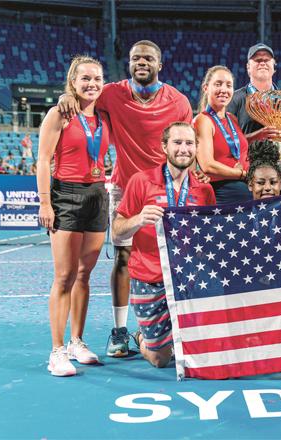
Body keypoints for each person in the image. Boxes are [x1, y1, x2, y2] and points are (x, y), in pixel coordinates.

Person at [58, 40, 194, 358]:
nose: (141, 62)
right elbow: (83, 95)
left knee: (174, 261)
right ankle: (120, 332)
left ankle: (170, 325)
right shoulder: (111, 93)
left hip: (169, 187)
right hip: (125, 188)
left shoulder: (179, 100)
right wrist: (67, 96)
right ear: (129, 64)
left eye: (148, 58)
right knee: (123, 259)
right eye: (135, 58)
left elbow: (187, 143)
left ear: (160, 64)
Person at [112, 122, 216, 367]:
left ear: (196, 148)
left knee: (197, 350)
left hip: (188, 281)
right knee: (161, 359)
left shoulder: (204, 190)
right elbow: (117, 234)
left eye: (189, 143)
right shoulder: (141, 181)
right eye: (177, 143)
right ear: (164, 147)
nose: (183, 149)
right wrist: (137, 220)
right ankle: (142, 337)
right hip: (149, 278)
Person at [37, 56, 110, 376]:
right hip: (65, 195)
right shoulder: (60, 113)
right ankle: (56, 351)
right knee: (65, 276)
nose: (92, 84)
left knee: (84, 275)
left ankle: (77, 341)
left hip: (97, 195)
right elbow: (42, 160)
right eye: (85, 79)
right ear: (73, 81)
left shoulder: (106, 115)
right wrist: (44, 203)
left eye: (97, 78)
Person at [194, 65, 251, 204]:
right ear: (206, 88)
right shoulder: (203, 120)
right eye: (218, 84)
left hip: (243, 191)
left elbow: (231, 144)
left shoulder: (231, 118)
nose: (224, 90)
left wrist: (260, 134)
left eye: (228, 85)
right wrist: (242, 174)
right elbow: (207, 165)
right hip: (222, 194)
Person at [226, 43, 281, 146]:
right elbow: (227, 140)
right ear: (248, 67)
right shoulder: (234, 99)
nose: (262, 63)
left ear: (274, 67)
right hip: (248, 161)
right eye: (257, 60)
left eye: (267, 60)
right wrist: (256, 136)